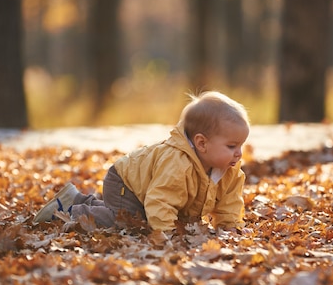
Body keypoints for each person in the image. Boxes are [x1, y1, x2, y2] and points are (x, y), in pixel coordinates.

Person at [33, 91, 250, 232]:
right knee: (128, 222)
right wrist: (166, 234)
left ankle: (77, 199)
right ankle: (66, 212)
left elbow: (229, 204)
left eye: (240, 145)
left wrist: (231, 229)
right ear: (202, 143)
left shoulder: (230, 171)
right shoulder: (178, 165)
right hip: (126, 182)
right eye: (231, 146)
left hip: (145, 189)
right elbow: (160, 201)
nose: (239, 153)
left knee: (139, 216)